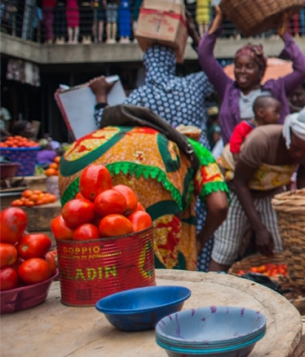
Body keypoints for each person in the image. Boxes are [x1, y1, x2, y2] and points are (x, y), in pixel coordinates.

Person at [60, 106, 229, 271]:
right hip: (161, 262)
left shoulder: (80, 146)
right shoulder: (184, 144)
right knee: (160, 275)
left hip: (92, 266)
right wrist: (200, 240)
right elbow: (219, 205)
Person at [209, 104, 305, 272]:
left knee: (279, 248)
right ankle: (213, 288)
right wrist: (259, 228)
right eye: (296, 147)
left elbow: (304, 181)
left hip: (272, 191)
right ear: (289, 134)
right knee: (227, 249)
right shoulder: (261, 140)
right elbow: (240, 182)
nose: (300, 154)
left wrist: (304, 215)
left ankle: (278, 289)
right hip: (237, 190)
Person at [91, 15, 213, 147]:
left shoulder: (141, 96)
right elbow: (214, 71)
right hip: (199, 159)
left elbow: (108, 125)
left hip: (163, 163)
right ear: (172, 63)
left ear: (147, 65)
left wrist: (100, 95)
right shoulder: (193, 85)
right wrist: (193, 35)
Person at [199, 9, 305, 144]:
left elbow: (303, 68)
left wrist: (285, 37)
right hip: (236, 160)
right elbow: (204, 55)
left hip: (271, 160)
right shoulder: (228, 89)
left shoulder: (274, 90)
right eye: (238, 66)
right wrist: (219, 18)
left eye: (249, 67)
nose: (242, 71)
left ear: (260, 71)